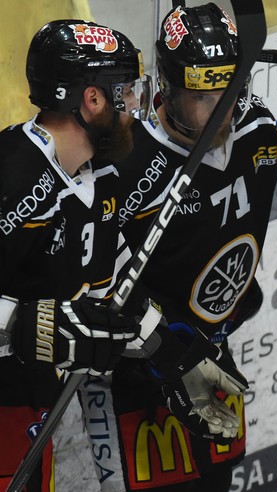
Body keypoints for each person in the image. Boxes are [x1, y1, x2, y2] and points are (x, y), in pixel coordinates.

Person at [78, 3, 277, 491]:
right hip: (135, 375)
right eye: (202, 96)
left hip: (212, 354)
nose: (222, 110)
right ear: (168, 89)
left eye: (230, 90)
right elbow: (99, 290)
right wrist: (162, 352)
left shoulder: (260, 133)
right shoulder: (124, 167)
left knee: (217, 479)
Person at [0, 19, 159, 491]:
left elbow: (110, 281)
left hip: (31, 405)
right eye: (126, 92)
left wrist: (171, 357)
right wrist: (22, 322)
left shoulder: (100, 176)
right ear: (93, 100)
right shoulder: (14, 175)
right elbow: (37, 323)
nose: (133, 108)